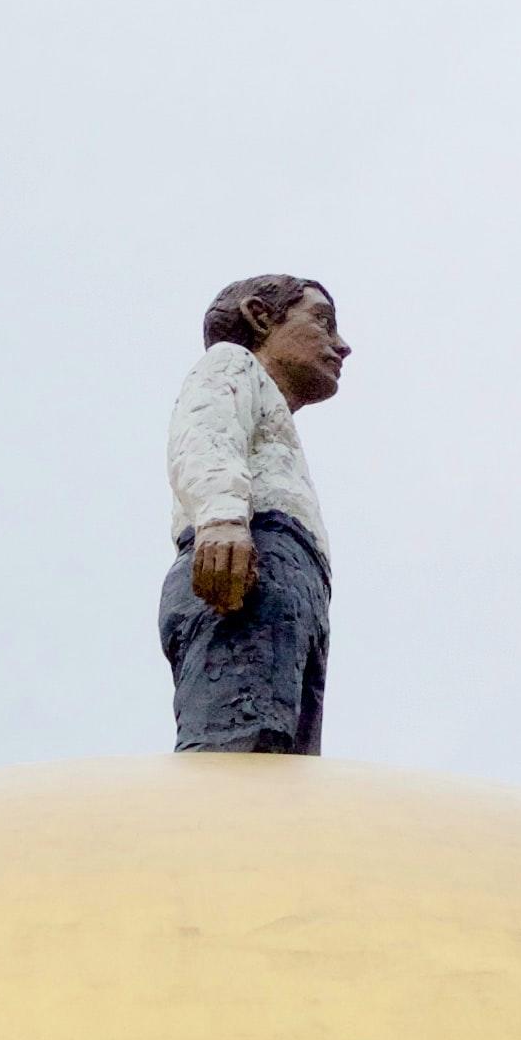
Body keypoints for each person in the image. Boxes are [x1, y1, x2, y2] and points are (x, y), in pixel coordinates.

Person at [162, 275, 345, 753]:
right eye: (322, 322)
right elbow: (207, 433)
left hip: (293, 575)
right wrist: (222, 520)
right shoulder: (231, 364)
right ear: (261, 316)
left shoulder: (272, 413)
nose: (340, 345)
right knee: (239, 737)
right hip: (251, 561)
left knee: (285, 749)